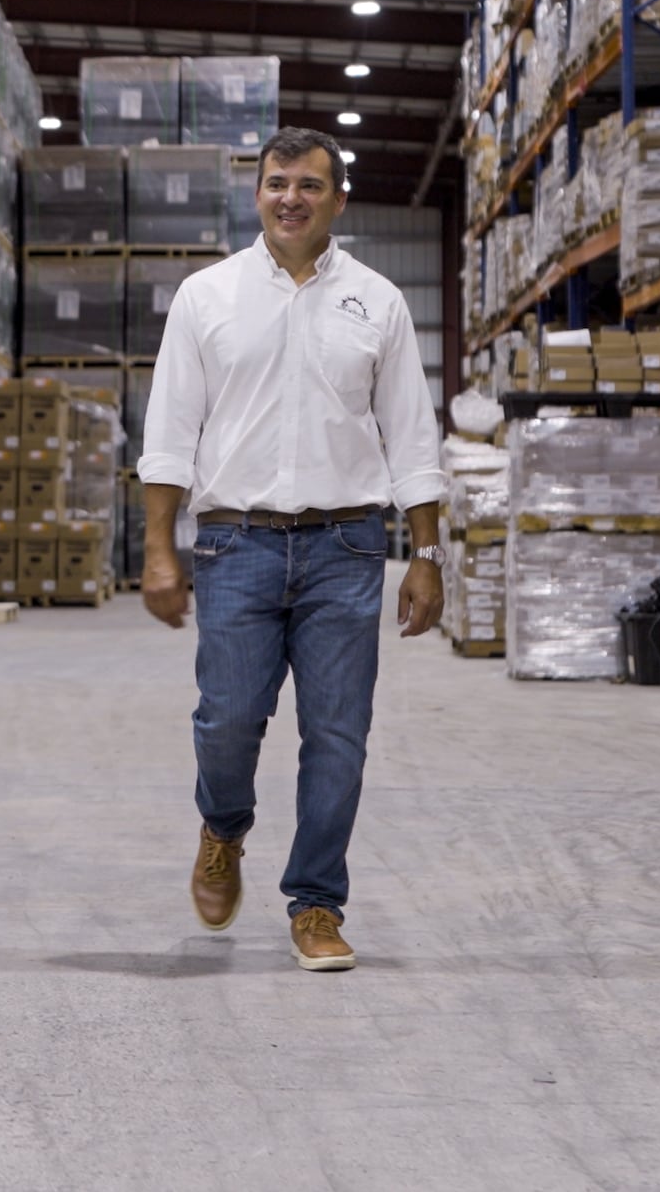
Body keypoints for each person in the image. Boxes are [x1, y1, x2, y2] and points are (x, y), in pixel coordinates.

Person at [136, 126, 446, 972]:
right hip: (236, 542)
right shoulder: (208, 296)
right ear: (258, 193)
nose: (291, 197)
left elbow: (411, 434)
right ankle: (223, 828)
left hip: (348, 544)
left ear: (338, 200)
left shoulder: (377, 301)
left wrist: (427, 552)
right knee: (227, 720)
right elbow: (169, 431)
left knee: (338, 734)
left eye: (310, 184)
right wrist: (160, 549)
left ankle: (315, 902)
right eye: (278, 182)